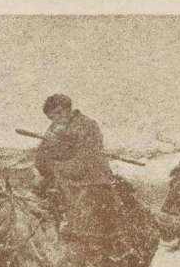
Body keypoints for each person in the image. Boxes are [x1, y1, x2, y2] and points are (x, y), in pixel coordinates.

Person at [33, 94, 122, 247]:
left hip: (92, 178)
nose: (56, 119)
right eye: (52, 117)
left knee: (93, 209)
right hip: (62, 176)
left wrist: (58, 166)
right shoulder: (54, 128)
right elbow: (40, 159)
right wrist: (49, 149)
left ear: (68, 109)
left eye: (59, 113)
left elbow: (86, 160)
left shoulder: (88, 125)